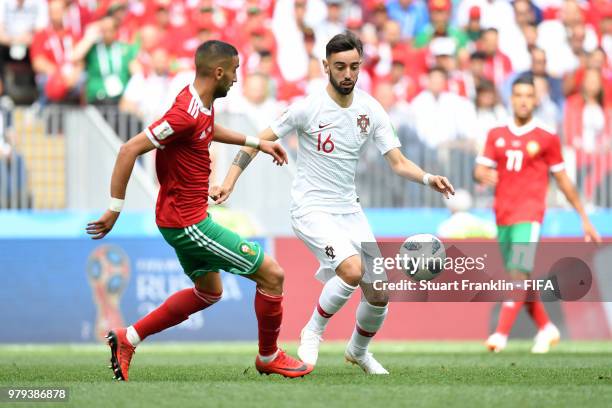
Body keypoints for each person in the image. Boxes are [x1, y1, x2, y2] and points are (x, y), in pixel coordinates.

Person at [214, 32, 454, 374]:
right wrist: (228, 181)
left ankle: (358, 351)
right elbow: (256, 141)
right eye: (340, 66)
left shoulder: (370, 109)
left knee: (379, 293)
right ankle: (313, 331)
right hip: (311, 209)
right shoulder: (307, 108)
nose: (347, 74)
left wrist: (429, 178)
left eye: (354, 67)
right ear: (326, 66)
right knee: (352, 270)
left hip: (350, 211)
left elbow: (398, 162)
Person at [86, 40, 313, 381]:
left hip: (181, 218)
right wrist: (114, 209)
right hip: (189, 223)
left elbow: (206, 130)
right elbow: (129, 149)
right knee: (273, 275)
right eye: (234, 71)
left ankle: (128, 338)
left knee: (209, 292)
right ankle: (268, 355)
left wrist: (256, 142)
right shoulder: (185, 113)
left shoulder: (199, 104)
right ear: (219, 72)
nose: (236, 78)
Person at [474, 74, 601, 354]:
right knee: (521, 276)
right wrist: (483, 174)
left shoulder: (546, 137)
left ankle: (500, 335)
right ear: (511, 98)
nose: (522, 100)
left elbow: (564, 180)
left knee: (517, 274)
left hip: (529, 215)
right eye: (518, 94)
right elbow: (479, 169)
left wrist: (584, 217)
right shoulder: (496, 134)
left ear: (535, 99)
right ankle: (547, 328)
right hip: (503, 215)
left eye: (528, 95)